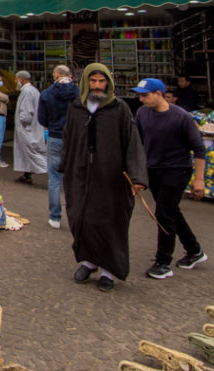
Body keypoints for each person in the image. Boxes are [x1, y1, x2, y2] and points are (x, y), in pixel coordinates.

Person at [60, 62, 147, 292]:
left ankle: (108, 271)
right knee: (82, 217)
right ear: (86, 82)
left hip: (111, 177)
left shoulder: (120, 109)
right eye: (93, 81)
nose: (97, 86)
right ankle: (89, 262)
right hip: (80, 174)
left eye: (101, 81)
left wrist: (137, 176)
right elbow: (68, 137)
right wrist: (65, 165)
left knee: (110, 222)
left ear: (108, 82)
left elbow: (132, 143)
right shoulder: (76, 107)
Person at [131, 78, 207, 280]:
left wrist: (199, 179)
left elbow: (199, 149)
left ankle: (163, 261)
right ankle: (194, 250)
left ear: (159, 94)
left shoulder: (181, 117)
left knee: (164, 212)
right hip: (153, 169)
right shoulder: (142, 113)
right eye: (140, 95)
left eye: (145, 95)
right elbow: (136, 141)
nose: (141, 99)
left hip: (177, 170)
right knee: (171, 211)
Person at [37, 65, 79, 229]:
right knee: (75, 178)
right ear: (69, 75)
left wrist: (53, 126)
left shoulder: (47, 94)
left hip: (55, 137)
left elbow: (42, 119)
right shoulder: (79, 93)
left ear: (56, 75)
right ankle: (76, 215)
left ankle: (55, 217)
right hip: (75, 139)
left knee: (54, 179)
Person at [13, 70, 47, 185]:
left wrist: (23, 122)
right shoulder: (33, 90)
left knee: (32, 152)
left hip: (27, 128)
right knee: (27, 152)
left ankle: (48, 169)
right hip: (32, 127)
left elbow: (26, 113)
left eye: (16, 79)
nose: (15, 81)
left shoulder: (27, 92)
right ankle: (27, 175)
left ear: (21, 79)